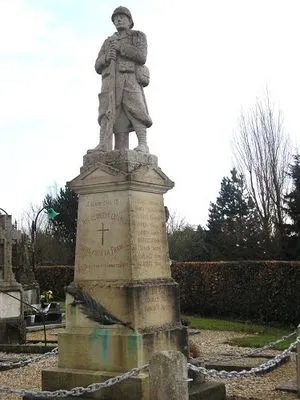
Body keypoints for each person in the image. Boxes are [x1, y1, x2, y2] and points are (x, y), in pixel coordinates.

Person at [94, 6, 152, 153]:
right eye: (115, 18)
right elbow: (97, 65)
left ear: (130, 20)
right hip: (110, 82)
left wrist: (121, 47)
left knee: (136, 110)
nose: (118, 19)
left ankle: (143, 144)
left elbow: (141, 56)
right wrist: (106, 58)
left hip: (129, 78)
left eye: (122, 17)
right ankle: (103, 145)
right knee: (107, 111)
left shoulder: (137, 36)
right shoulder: (108, 42)